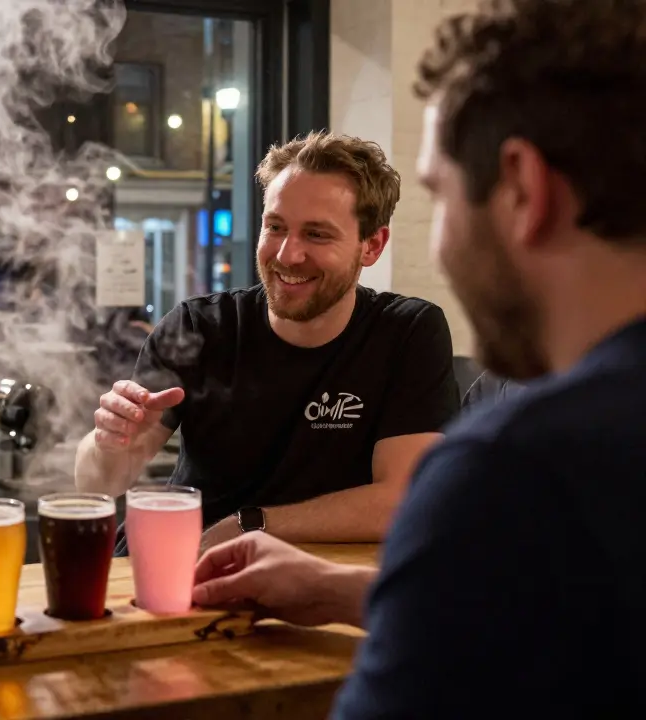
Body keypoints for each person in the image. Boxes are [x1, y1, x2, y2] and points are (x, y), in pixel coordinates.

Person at [192, 0, 646, 716]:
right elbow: (559, 618)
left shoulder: (515, 471)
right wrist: (338, 588)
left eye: (440, 194)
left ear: (524, 190)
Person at [75, 132, 460, 548]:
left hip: (312, 571)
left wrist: (252, 525)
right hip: (182, 561)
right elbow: (99, 483)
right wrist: (109, 443)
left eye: (317, 234)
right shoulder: (198, 328)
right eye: (275, 227)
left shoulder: (405, 333)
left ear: (372, 246)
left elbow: (407, 500)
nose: (287, 255)